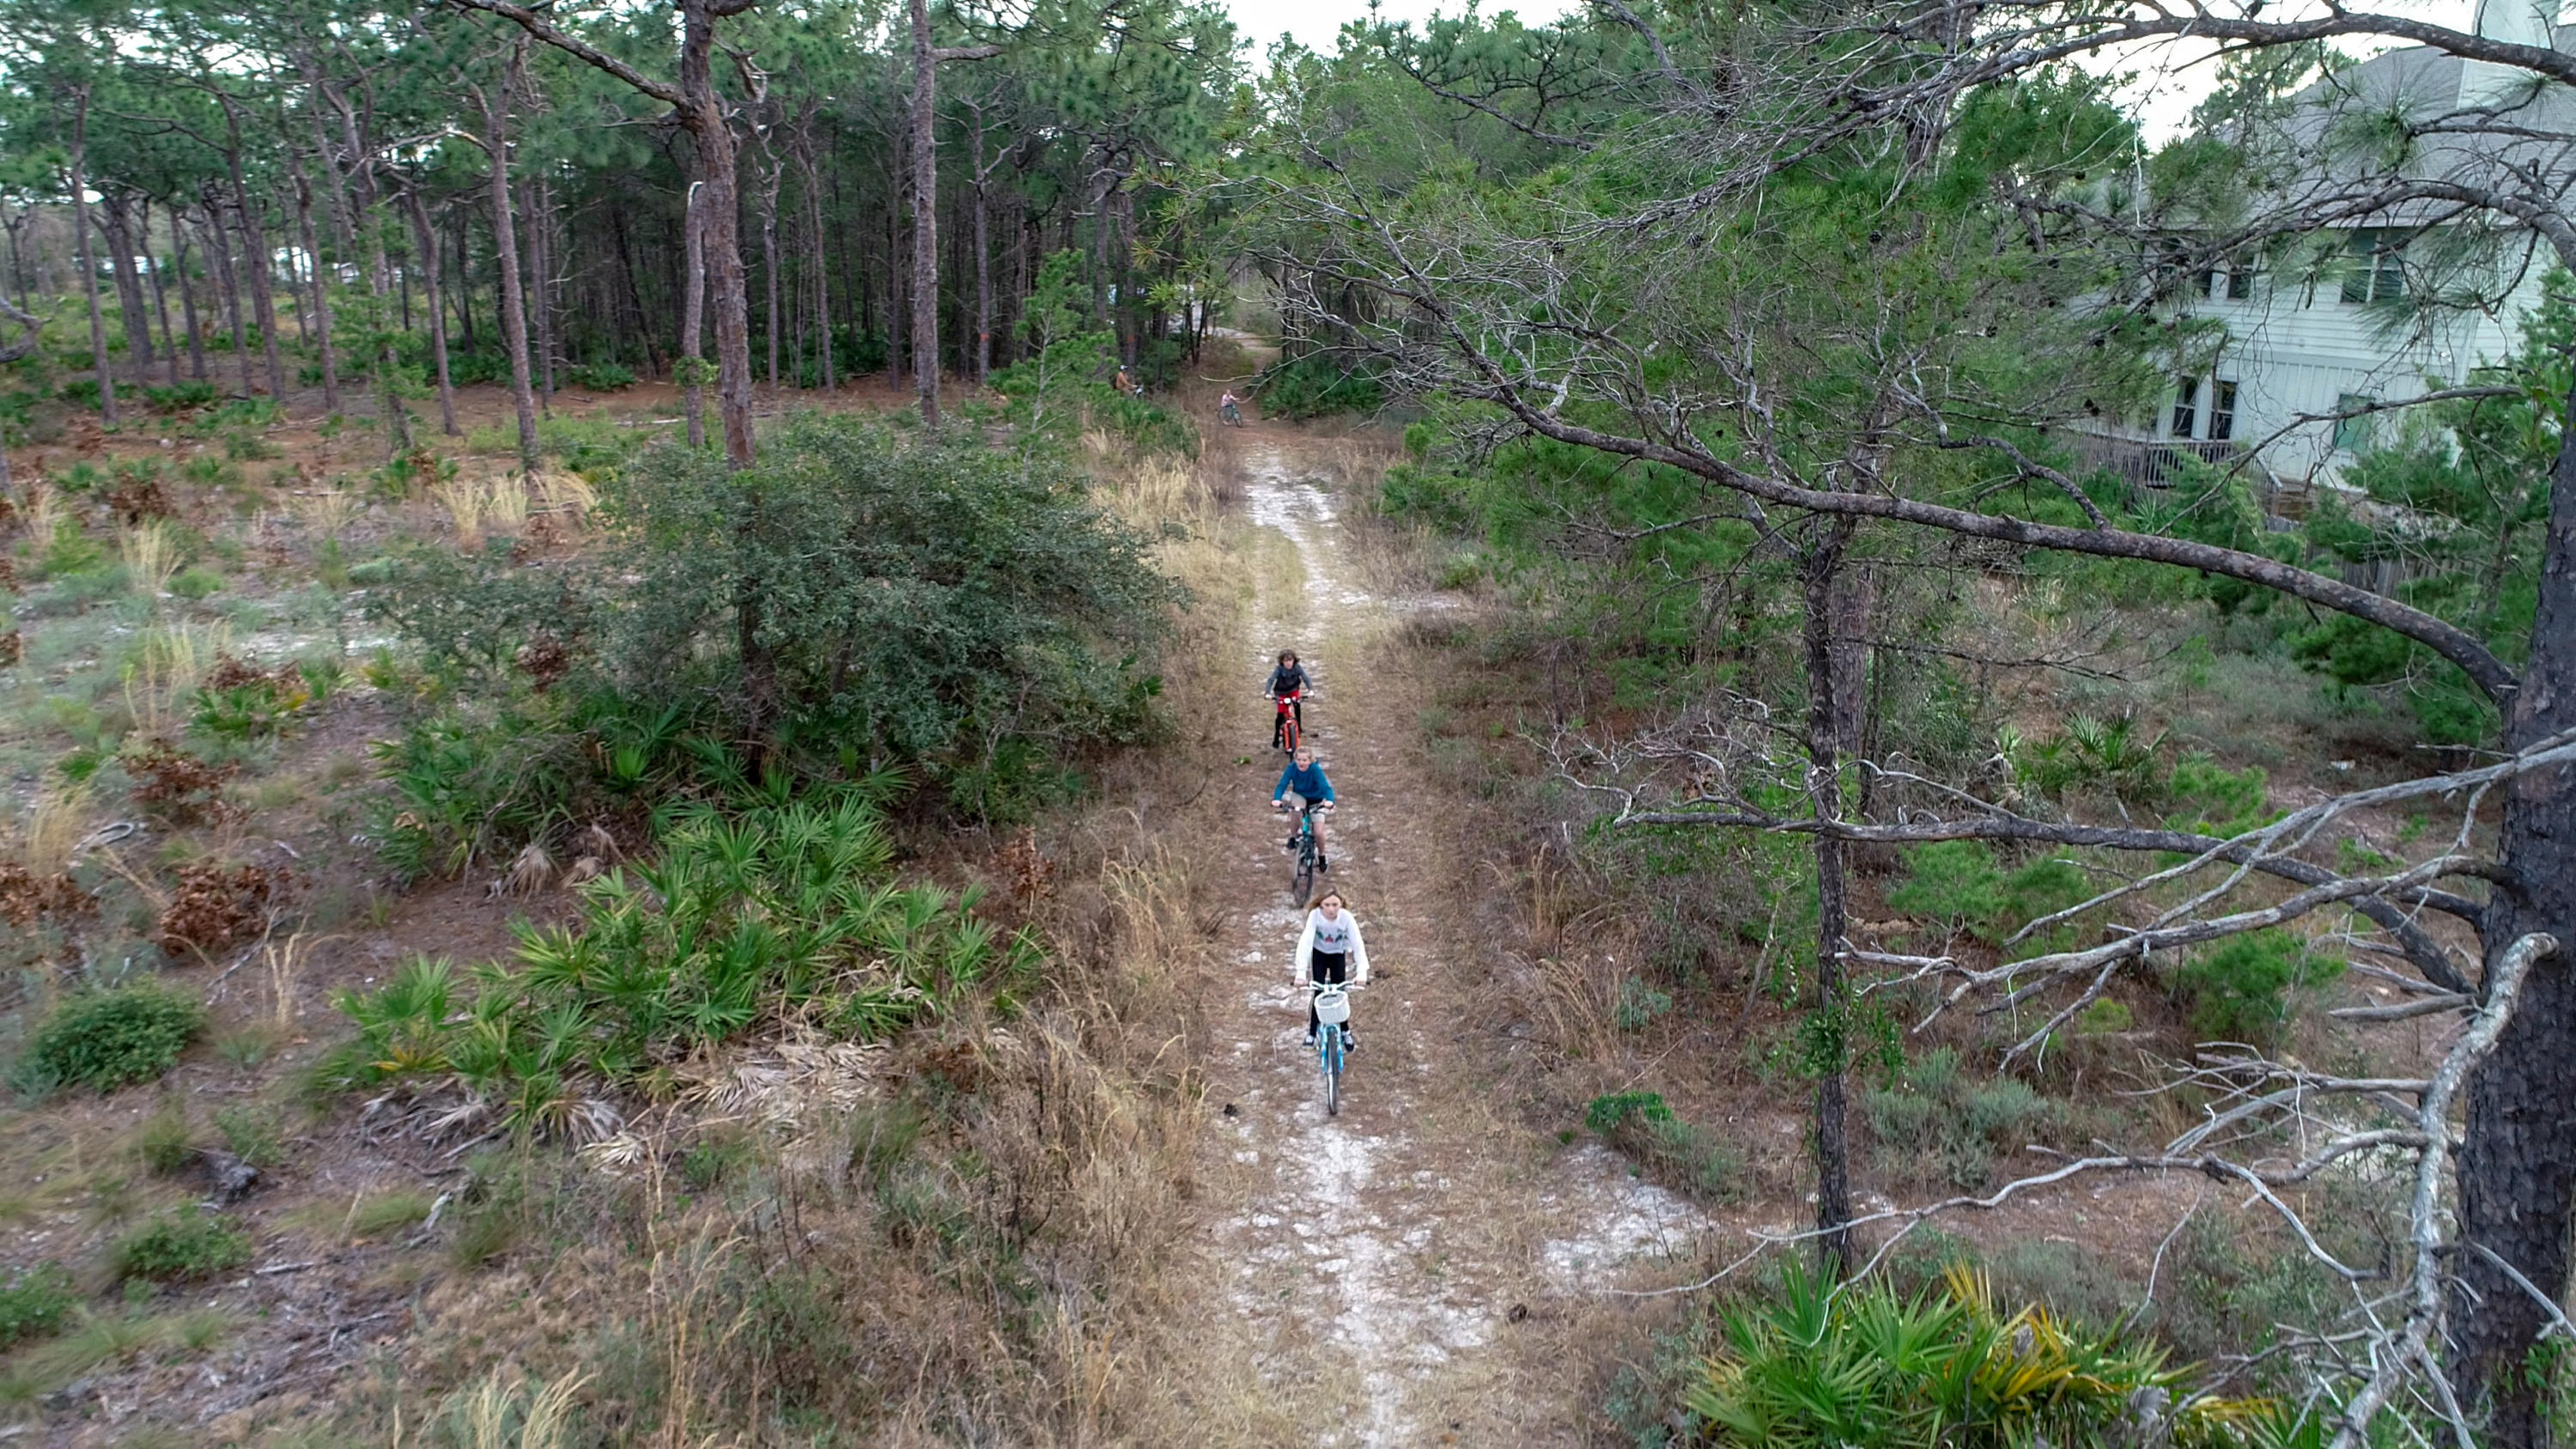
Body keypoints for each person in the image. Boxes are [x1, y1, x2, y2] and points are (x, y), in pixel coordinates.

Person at [1293, 890, 1370, 1049]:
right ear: (1320, 904)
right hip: (1319, 955)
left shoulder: (1346, 918)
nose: (1331, 909)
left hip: (1337, 955)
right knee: (1318, 992)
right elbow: (1306, 940)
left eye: (1335, 905)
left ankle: (1345, 1031)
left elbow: (1358, 944)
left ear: (1341, 904)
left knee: (1340, 993)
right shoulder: (1315, 915)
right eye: (1327, 905)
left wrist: (1362, 972)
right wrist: (1301, 972)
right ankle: (1313, 1033)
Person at [1273, 746, 1334, 870]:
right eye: (1299, 760)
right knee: (1296, 810)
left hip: (1317, 799)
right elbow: (1282, 784)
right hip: (1300, 795)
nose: (1301, 763)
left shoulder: (1315, 770)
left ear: (1310, 761)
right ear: (1295, 760)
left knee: (1318, 832)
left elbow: (1326, 787)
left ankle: (1322, 855)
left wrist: (1330, 801)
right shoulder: (1292, 769)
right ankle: (1294, 836)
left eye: (1305, 760)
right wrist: (1277, 798)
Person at [1265, 649, 1310, 751]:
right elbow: (1271, 680)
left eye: (1290, 660)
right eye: (1286, 661)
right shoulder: (1279, 669)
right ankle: (1276, 736)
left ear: (1294, 660)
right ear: (1282, 662)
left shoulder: (1297, 668)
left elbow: (1305, 677)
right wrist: (1267, 693)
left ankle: (1299, 727)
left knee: (1297, 705)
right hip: (1281, 692)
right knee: (1280, 714)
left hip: (1293, 690)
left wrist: (1310, 689)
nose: (1289, 663)